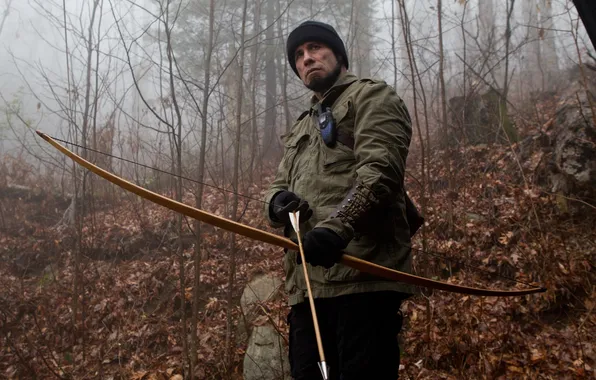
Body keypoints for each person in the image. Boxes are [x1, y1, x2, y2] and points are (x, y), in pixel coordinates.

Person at [263, 20, 417, 380]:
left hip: (363, 279)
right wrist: (276, 203)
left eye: (315, 48)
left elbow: (381, 171)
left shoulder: (372, 96)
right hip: (307, 291)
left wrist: (337, 228)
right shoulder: (302, 125)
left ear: (338, 54)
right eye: (299, 55)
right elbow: (276, 185)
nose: (307, 58)